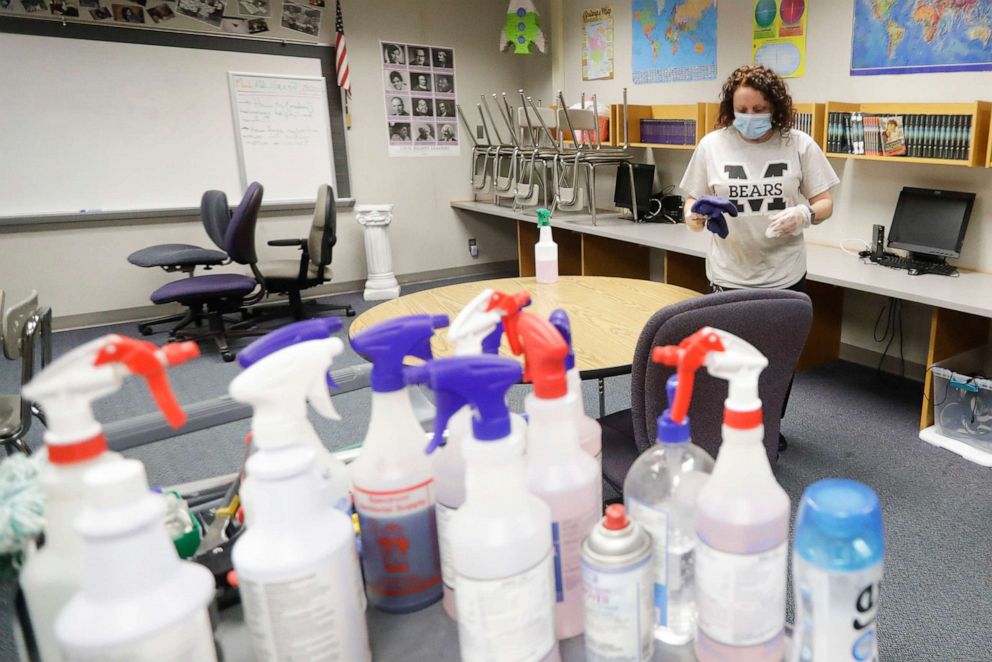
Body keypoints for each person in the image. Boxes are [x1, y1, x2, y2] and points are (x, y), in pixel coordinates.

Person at [681, 64, 839, 294]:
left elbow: (826, 203)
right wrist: (693, 216)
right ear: (730, 108)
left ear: (774, 108)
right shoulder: (711, 145)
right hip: (728, 275)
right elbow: (692, 200)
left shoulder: (798, 143)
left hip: (785, 276)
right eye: (742, 110)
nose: (750, 116)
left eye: (759, 108)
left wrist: (805, 214)